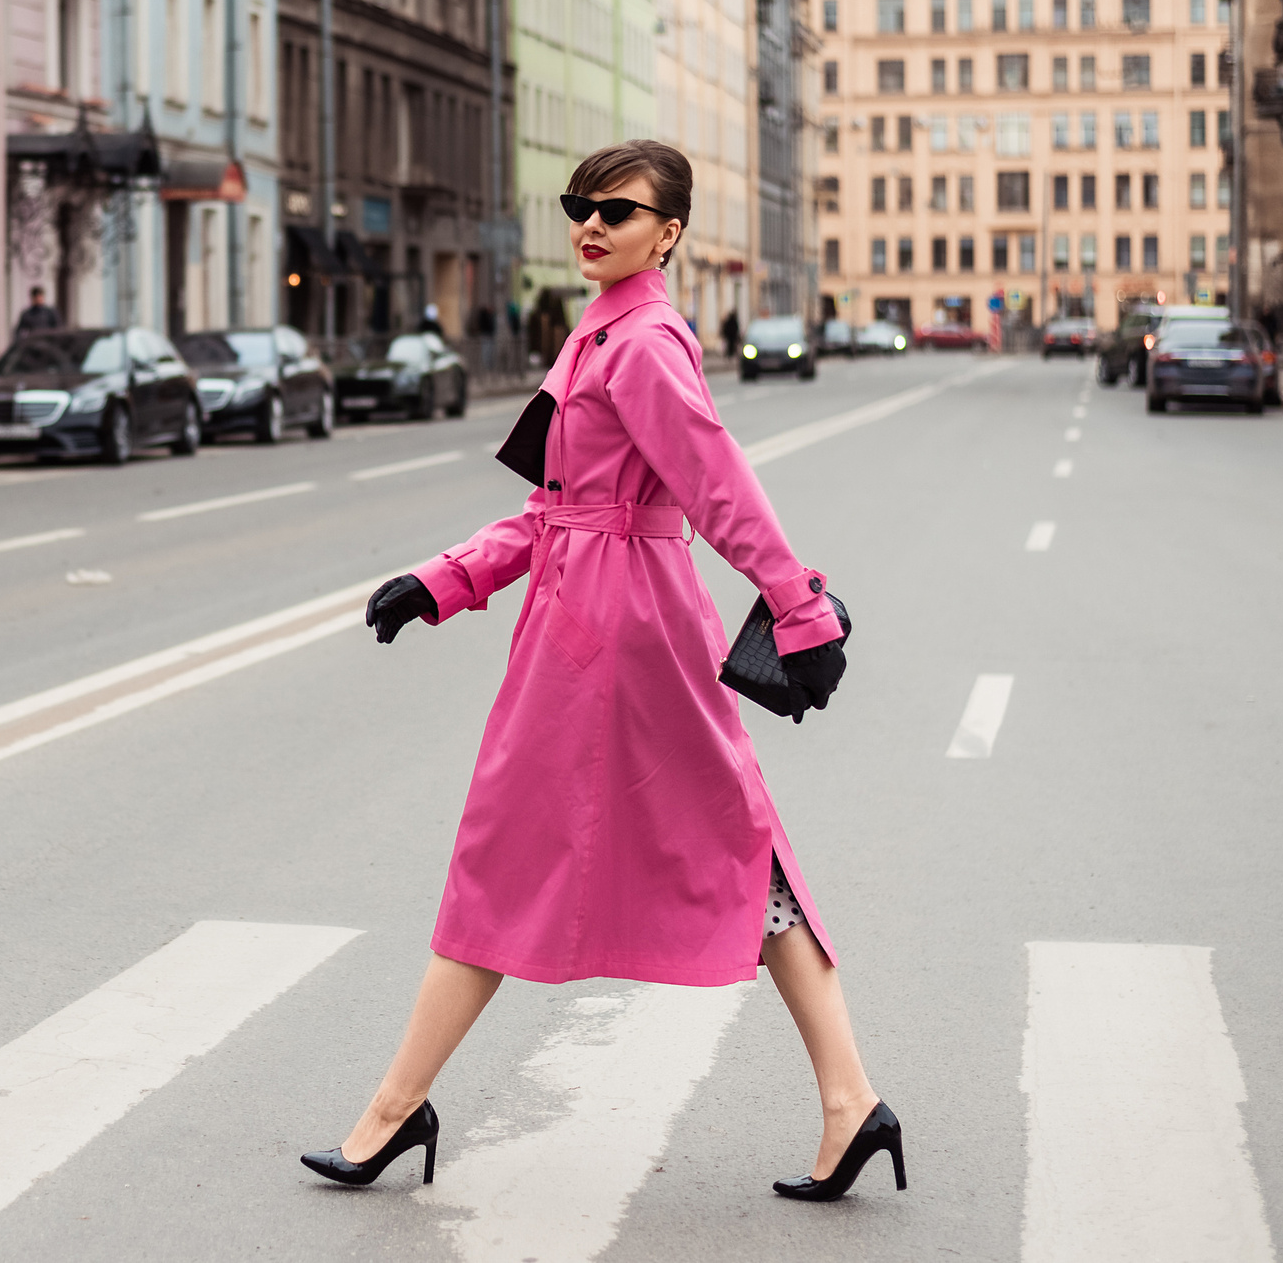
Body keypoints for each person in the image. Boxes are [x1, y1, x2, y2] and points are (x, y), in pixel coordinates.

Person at [302, 139, 902, 1205]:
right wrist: (442, 579)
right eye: (580, 204)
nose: (590, 223)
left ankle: (396, 1107)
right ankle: (851, 1101)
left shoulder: (645, 343)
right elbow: (558, 510)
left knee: (541, 853)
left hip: (623, 633)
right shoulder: (605, 330)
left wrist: (799, 607)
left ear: (667, 233)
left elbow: (718, 487)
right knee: (725, 842)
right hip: (589, 621)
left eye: (616, 211)